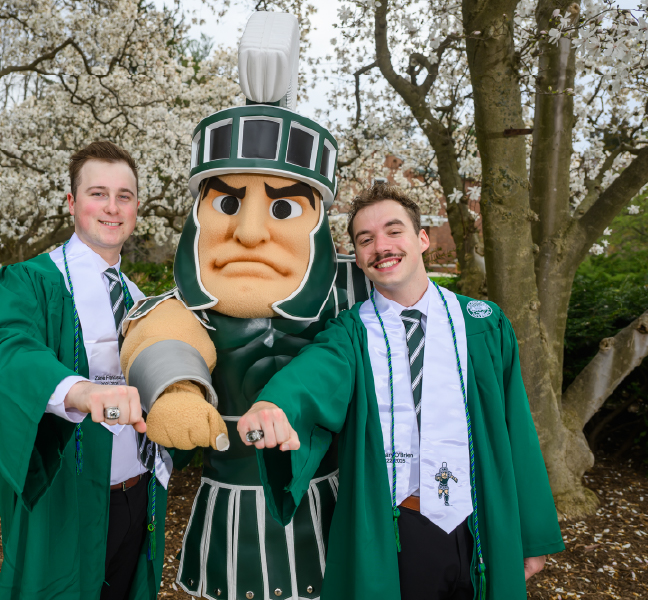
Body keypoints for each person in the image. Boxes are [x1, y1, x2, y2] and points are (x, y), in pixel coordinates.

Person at [118, 12, 369, 600]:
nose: (250, 232)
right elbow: (163, 334)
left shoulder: (354, 293)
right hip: (227, 511)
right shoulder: (186, 304)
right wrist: (177, 390)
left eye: (283, 208)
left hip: (330, 504)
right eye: (228, 204)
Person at [237, 182, 565, 600]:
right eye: (365, 240)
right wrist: (273, 404)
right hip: (400, 531)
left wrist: (532, 534)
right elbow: (312, 376)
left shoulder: (482, 323)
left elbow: (515, 425)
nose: (381, 247)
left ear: (422, 238)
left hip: (481, 520)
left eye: (394, 231)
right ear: (358, 257)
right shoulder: (352, 333)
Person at [0, 141, 170, 600]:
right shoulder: (31, 282)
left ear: (137, 207)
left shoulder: (141, 301)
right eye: (98, 194)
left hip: (140, 494)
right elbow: (2, 351)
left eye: (124, 196)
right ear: (72, 203)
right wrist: (80, 391)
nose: (112, 207)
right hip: (68, 498)